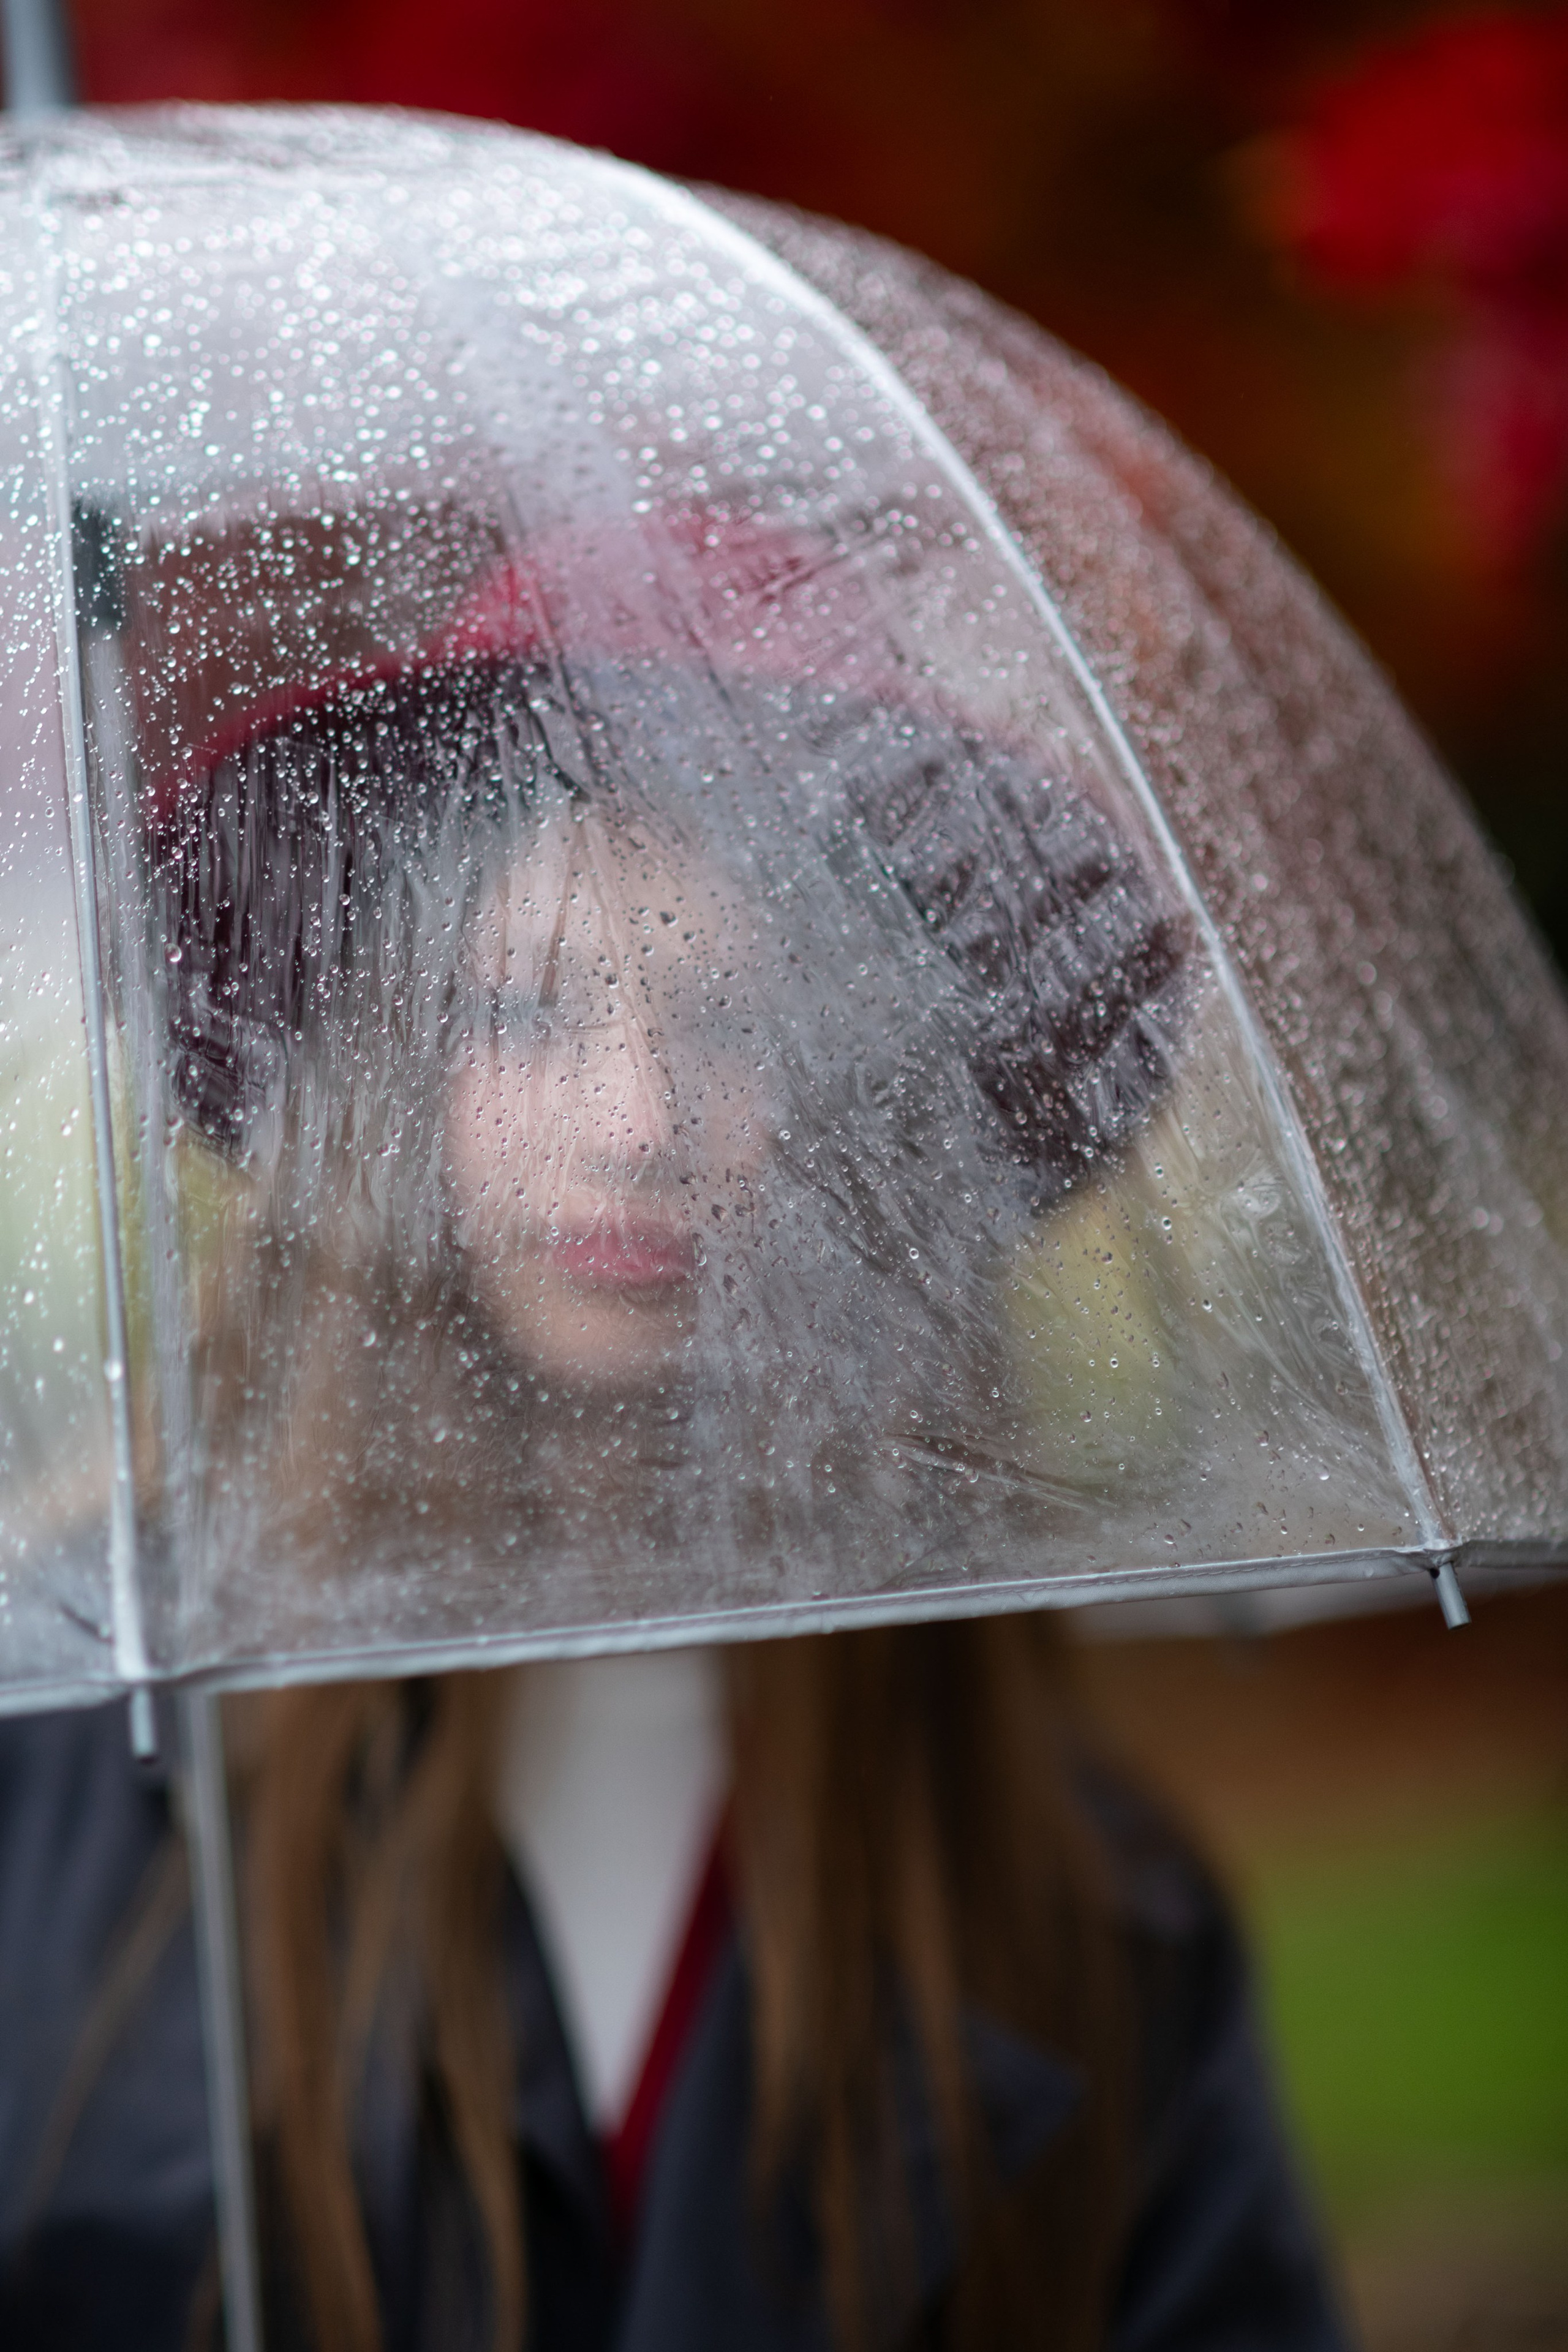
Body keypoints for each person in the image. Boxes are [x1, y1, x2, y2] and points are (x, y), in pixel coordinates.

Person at [0, 494, 1346, 2352]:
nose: (637, 1121)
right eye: (529, 1011)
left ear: (858, 1108)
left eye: (728, 1020)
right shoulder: (79, 1762)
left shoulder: (1088, 1915)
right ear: (394, 1057)